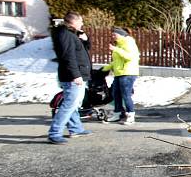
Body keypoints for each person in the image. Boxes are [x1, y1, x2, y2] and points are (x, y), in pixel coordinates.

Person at [47, 11, 92, 144]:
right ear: (73, 21)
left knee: (72, 105)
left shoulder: (72, 34)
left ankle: (76, 128)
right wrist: (75, 75)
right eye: (81, 21)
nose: (82, 23)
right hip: (72, 77)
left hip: (76, 75)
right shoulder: (65, 35)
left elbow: (83, 50)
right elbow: (68, 56)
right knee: (69, 105)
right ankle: (54, 133)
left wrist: (85, 40)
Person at [100, 27, 140, 125]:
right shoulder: (119, 44)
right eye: (112, 34)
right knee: (115, 94)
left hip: (128, 73)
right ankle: (118, 113)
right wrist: (106, 68)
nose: (113, 36)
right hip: (119, 73)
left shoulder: (129, 42)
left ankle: (130, 115)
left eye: (115, 34)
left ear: (121, 34)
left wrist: (116, 50)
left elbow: (130, 57)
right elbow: (117, 61)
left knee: (126, 95)